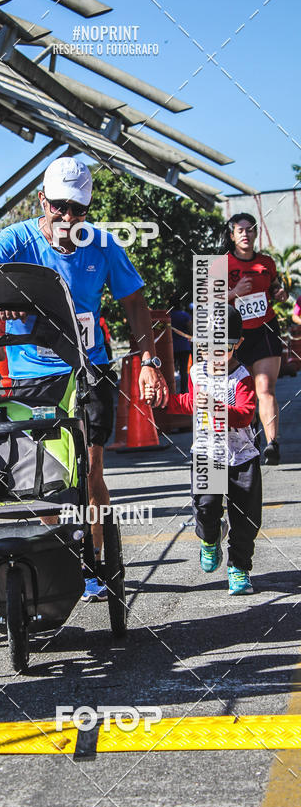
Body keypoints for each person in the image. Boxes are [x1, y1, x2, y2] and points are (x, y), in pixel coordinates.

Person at [0, 157, 168, 601]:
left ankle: (94, 562)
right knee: (48, 476)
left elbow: (134, 302)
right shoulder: (16, 240)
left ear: (88, 209)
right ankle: (65, 552)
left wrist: (150, 363)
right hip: (32, 376)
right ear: (42, 200)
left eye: (77, 209)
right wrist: (2, 297)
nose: (67, 217)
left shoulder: (101, 243)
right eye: (59, 206)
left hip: (89, 369)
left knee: (90, 468)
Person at [150, 305, 261, 595]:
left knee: (246, 520)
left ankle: (239, 568)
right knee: (205, 508)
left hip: (241, 457)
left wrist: (216, 407)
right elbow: (190, 401)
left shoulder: (241, 377)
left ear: (237, 344)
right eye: (207, 346)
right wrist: (163, 402)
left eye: (222, 347)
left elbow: (246, 414)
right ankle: (210, 538)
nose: (214, 354)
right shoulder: (196, 371)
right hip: (207, 454)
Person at [222, 213, 288, 465]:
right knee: (243, 391)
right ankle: (251, 439)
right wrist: (234, 292)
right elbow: (207, 300)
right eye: (240, 230)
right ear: (231, 235)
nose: (246, 234)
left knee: (265, 389)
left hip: (265, 330)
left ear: (255, 234)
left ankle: (272, 444)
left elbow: (274, 288)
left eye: (250, 230)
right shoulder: (221, 265)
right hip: (235, 335)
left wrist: (280, 293)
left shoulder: (266, 263)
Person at [169, 293, 193, 392]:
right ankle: (184, 391)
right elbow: (191, 331)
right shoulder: (185, 316)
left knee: (171, 370)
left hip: (171, 347)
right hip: (184, 346)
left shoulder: (168, 316)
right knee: (183, 371)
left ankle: (171, 390)